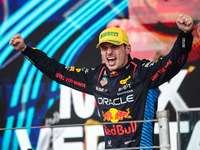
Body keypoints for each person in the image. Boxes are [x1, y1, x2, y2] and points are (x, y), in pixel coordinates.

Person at [9, 14, 194, 149]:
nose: (109, 53)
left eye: (114, 47)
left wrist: (185, 35)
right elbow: (57, 71)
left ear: (128, 48)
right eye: (104, 48)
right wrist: (26, 50)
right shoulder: (95, 76)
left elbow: (172, 62)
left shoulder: (143, 72)